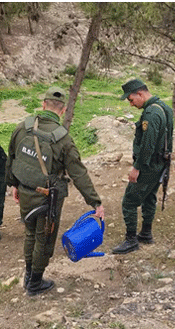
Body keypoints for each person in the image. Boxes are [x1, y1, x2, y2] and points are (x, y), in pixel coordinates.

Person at [6, 86, 105, 296]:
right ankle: (34, 282)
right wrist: (95, 202)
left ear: (43, 105)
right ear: (63, 109)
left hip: (24, 191)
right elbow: (78, 173)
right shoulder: (63, 139)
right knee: (44, 239)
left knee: (30, 233)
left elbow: (12, 157)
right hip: (47, 198)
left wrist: (13, 184)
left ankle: (28, 273)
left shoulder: (22, 128)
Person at [113, 78, 173, 254]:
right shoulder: (164, 107)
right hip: (160, 163)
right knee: (149, 197)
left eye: (131, 100)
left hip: (148, 165)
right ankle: (146, 233)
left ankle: (131, 240)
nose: (131, 104)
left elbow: (148, 144)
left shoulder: (151, 113)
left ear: (140, 93)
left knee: (129, 201)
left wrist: (137, 168)